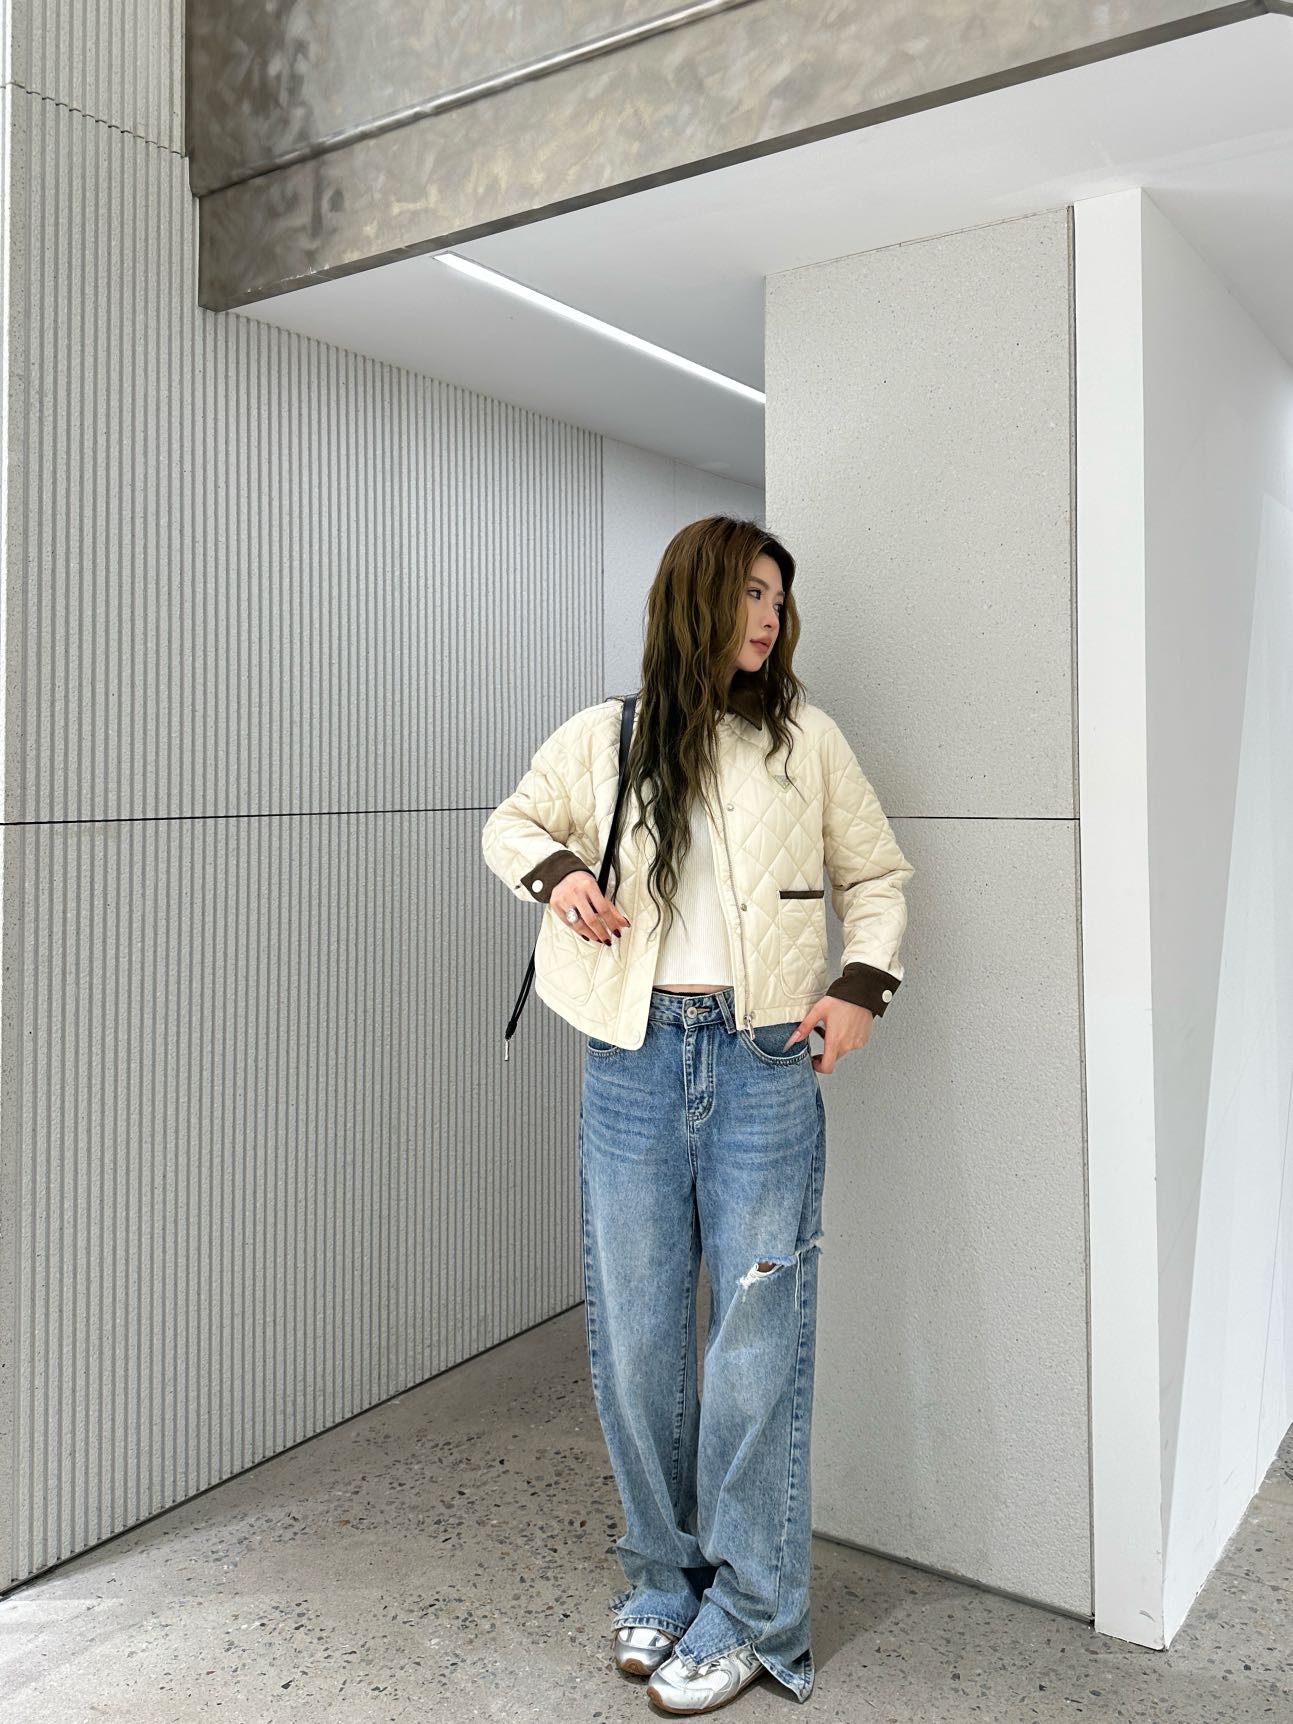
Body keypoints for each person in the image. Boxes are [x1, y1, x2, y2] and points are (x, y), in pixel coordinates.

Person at [481, 515, 913, 1713]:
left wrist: (860, 985)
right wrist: (561, 875)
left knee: (755, 1338)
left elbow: (877, 875)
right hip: (631, 1062)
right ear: (695, 599)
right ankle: (662, 1577)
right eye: (748, 593)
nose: (767, 616)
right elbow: (510, 822)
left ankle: (759, 1610)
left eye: (778, 597)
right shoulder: (605, 736)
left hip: (764, 1060)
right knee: (639, 1337)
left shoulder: (806, 740)